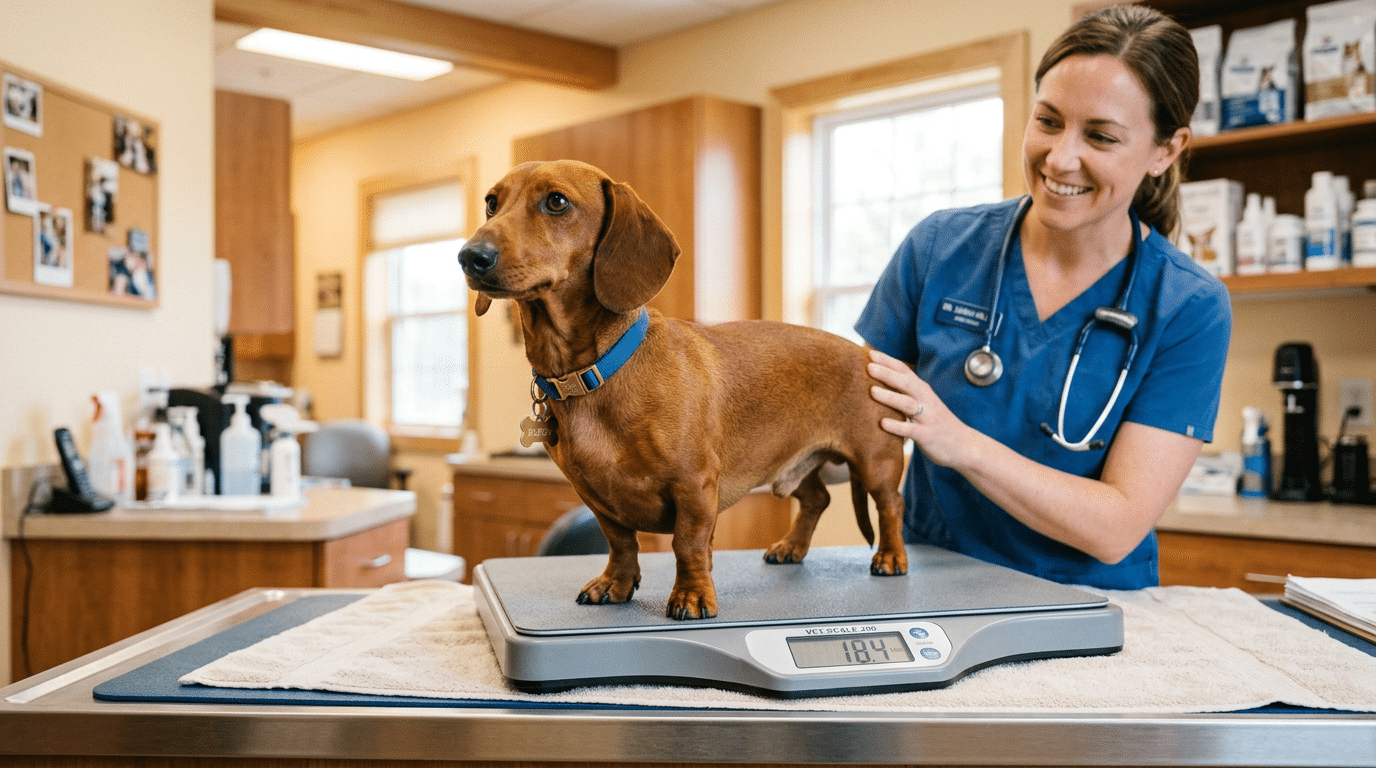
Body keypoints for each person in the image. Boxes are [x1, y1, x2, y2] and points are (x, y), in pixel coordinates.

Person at [857, 4, 1232, 590]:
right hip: (930, 588)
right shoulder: (940, 248)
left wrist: (959, 443)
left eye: (1101, 136)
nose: (1060, 158)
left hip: (1088, 613)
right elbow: (854, 416)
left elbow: (1117, 525)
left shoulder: (1189, 306)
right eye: (1048, 121)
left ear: (1166, 149)